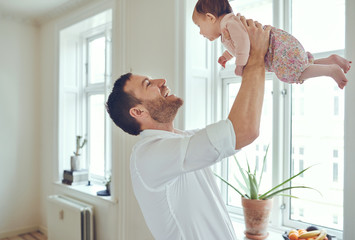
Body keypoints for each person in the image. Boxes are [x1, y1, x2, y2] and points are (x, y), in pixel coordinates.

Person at [106, 17, 270, 240]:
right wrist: (255, 59)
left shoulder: (180, 140)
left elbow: (240, 129)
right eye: (148, 84)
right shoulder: (148, 155)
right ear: (138, 112)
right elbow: (244, 130)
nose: (162, 81)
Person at [192, 0, 352, 89]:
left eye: (199, 26)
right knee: (300, 66)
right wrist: (227, 55)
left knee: (294, 72)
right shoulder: (228, 27)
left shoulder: (229, 22)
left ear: (210, 17)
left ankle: (331, 70)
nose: (200, 32)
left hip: (277, 48)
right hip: (281, 47)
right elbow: (239, 44)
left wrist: (240, 65)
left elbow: (243, 42)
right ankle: (331, 60)